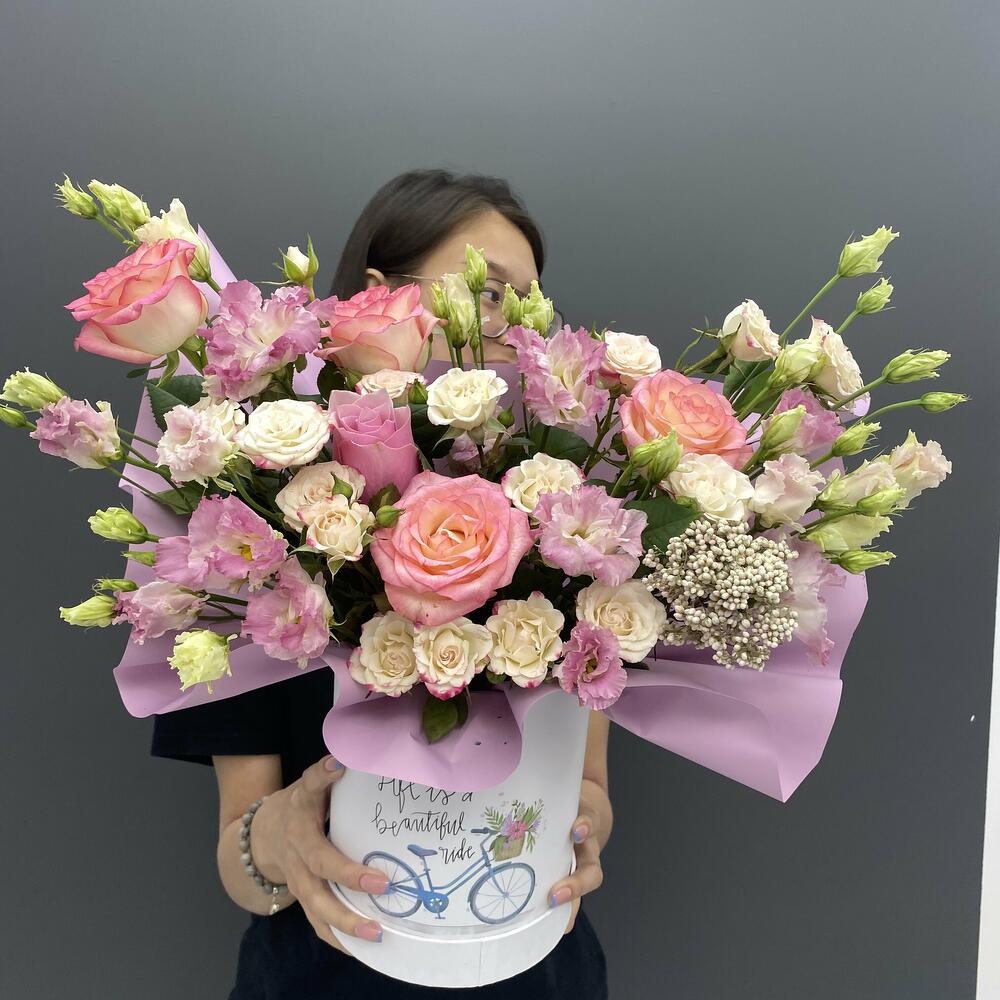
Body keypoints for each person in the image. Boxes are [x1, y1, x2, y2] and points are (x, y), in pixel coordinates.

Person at [151, 168, 612, 999]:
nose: (514, 329)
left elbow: (591, 787)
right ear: (379, 294)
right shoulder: (257, 541)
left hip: (533, 963)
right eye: (488, 292)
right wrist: (278, 839)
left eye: (531, 305)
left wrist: (583, 827)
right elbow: (237, 861)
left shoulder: (570, 532)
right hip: (324, 973)